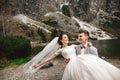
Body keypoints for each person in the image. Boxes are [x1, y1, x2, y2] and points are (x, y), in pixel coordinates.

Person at [33, 30, 120, 80]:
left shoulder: (74, 46)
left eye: (67, 37)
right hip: (71, 65)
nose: (67, 38)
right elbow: (49, 58)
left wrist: (90, 44)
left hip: (80, 61)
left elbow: (83, 45)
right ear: (61, 40)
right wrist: (38, 64)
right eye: (65, 37)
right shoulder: (60, 50)